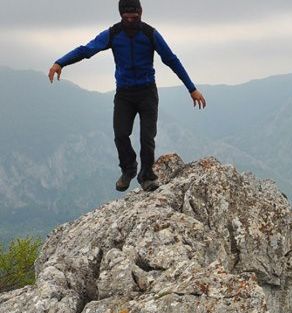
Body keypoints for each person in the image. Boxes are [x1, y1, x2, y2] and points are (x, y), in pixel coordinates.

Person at [48, 0, 206, 193]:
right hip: (124, 94)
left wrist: (192, 89)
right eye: (126, 17)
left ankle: (146, 175)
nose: (131, 21)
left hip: (147, 92)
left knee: (147, 137)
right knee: (121, 134)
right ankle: (129, 169)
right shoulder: (113, 34)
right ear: (121, 15)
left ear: (141, 12)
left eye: (135, 17)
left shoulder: (150, 34)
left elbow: (171, 59)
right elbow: (86, 50)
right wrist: (60, 62)